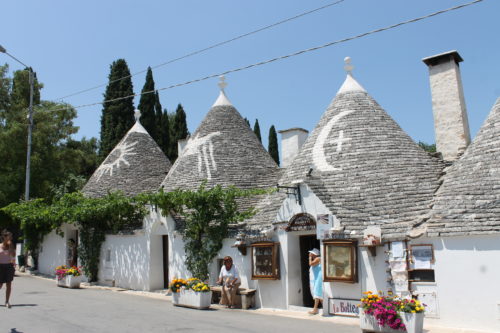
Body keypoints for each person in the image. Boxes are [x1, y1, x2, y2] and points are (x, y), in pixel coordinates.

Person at [0, 230, 16, 308]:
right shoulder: (0, 246)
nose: (11, 238)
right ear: (4, 237)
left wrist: (11, 246)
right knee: (0, 284)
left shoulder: (11, 245)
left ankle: (7, 301)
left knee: (9, 284)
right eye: (9, 236)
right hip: (0, 267)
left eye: (11, 236)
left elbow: (13, 255)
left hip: (9, 266)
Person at [308, 248, 323, 315]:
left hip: (319, 278)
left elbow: (311, 264)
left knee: (317, 292)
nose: (310, 254)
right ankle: (325, 308)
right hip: (317, 278)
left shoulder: (318, 258)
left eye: (311, 254)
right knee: (319, 293)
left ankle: (315, 309)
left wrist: (310, 258)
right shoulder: (317, 259)